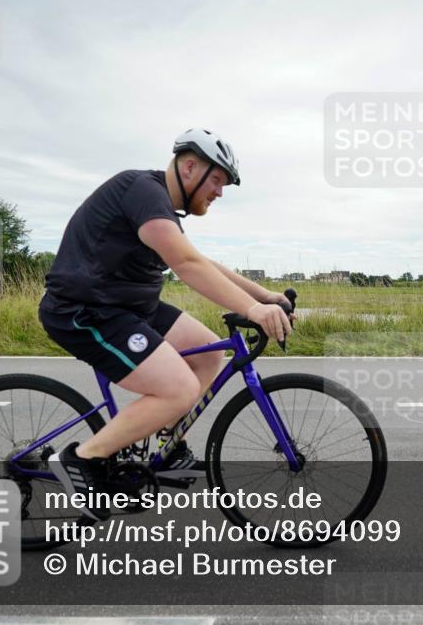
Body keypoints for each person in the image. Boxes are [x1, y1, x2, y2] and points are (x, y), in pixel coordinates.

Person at [38, 129, 292, 520]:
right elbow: (187, 266)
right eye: (217, 180)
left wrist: (264, 297)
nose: (220, 192)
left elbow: (201, 261)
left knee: (210, 354)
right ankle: (82, 459)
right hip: (85, 310)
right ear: (190, 166)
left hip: (130, 306)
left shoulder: (160, 208)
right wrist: (254, 312)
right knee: (178, 389)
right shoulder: (141, 189)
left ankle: (170, 445)